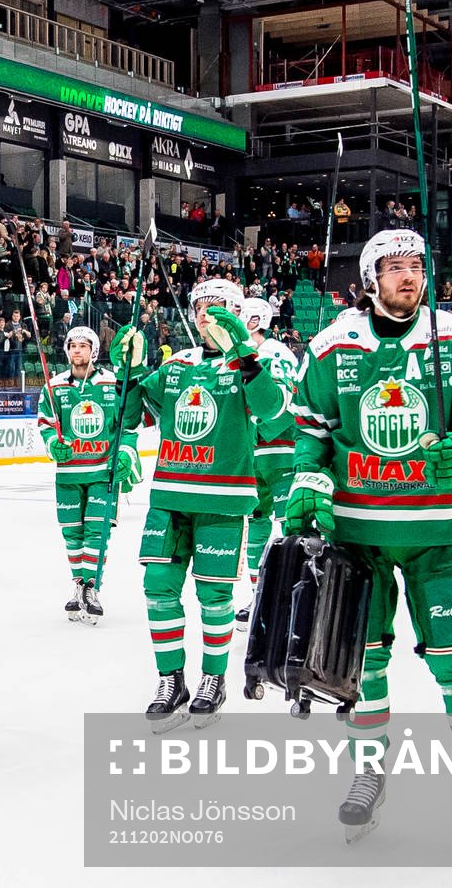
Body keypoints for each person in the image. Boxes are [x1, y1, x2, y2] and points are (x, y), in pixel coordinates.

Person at [288, 228, 452, 860]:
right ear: (370, 276)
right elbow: (313, 430)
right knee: (365, 669)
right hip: (359, 542)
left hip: (438, 537)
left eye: (417, 266)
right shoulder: (333, 346)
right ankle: (369, 773)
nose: (409, 276)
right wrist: (307, 475)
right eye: (394, 267)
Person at [126, 279, 288, 732]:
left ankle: (212, 681)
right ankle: (170, 680)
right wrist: (131, 369)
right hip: (168, 497)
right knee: (158, 588)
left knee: (214, 598)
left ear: (236, 313)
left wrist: (245, 357)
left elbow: (276, 418)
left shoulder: (252, 363)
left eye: (217, 308)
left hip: (223, 500)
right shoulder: (177, 365)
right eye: (199, 307)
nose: (205, 315)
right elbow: (130, 408)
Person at [38, 324, 131, 623]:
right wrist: (53, 444)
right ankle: (79, 586)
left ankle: (91, 588)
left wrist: (126, 455)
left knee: (97, 533)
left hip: (102, 471)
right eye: (72, 345)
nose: (77, 350)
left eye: (83, 345)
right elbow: (45, 423)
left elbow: (126, 425)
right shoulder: (54, 386)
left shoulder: (112, 382)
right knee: (72, 534)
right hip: (68, 474)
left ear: (94, 351)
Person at [236, 296, 300, 624]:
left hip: (281, 452)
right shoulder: (234, 355)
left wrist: (259, 426)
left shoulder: (278, 353)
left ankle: (292, 596)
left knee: (288, 525)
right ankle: (259, 596)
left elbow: (288, 399)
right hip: (251, 456)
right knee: (257, 524)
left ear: (253, 320)